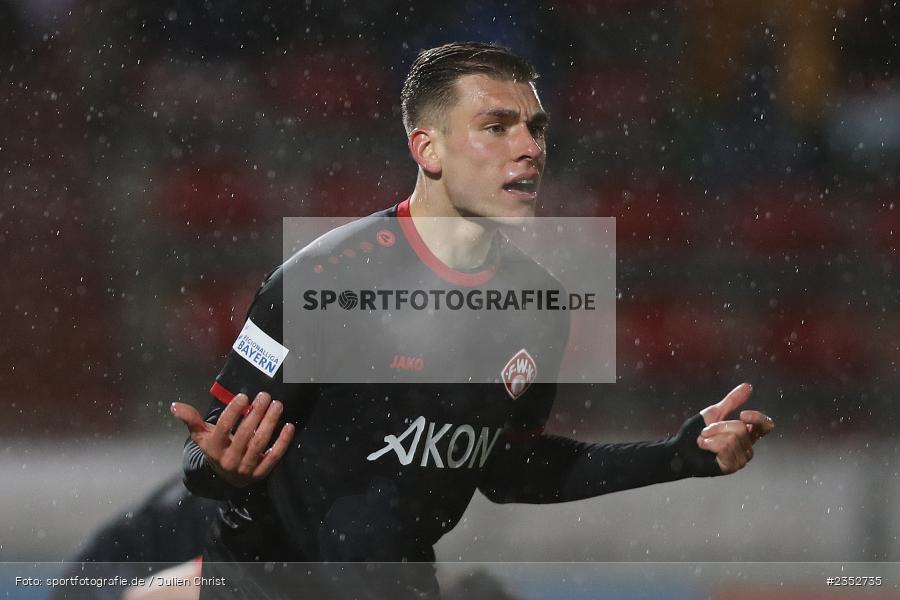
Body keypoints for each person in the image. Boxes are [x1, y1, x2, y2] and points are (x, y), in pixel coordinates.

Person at [171, 42, 775, 599]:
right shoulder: (322, 281)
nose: (530, 147)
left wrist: (676, 455)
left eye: (536, 128)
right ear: (427, 148)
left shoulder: (537, 305)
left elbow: (514, 470)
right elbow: (205, 461)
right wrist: (224, 467)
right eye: (496, 127)